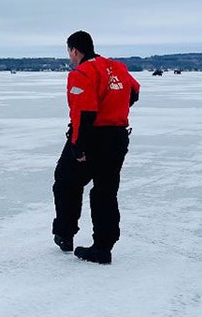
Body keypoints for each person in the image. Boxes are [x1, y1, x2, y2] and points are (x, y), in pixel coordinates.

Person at [52, 31, 140, 264]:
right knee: (105, 191)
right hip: (118, 137)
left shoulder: (82, 73)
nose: (70, 56)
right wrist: (115, 108)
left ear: (74, 50)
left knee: (65, 181)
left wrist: (78, 146)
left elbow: (85, 112)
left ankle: (64, 233)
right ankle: (103, 246)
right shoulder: (117, 67)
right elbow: (134, 91)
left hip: (93, 137)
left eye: (69, 52)